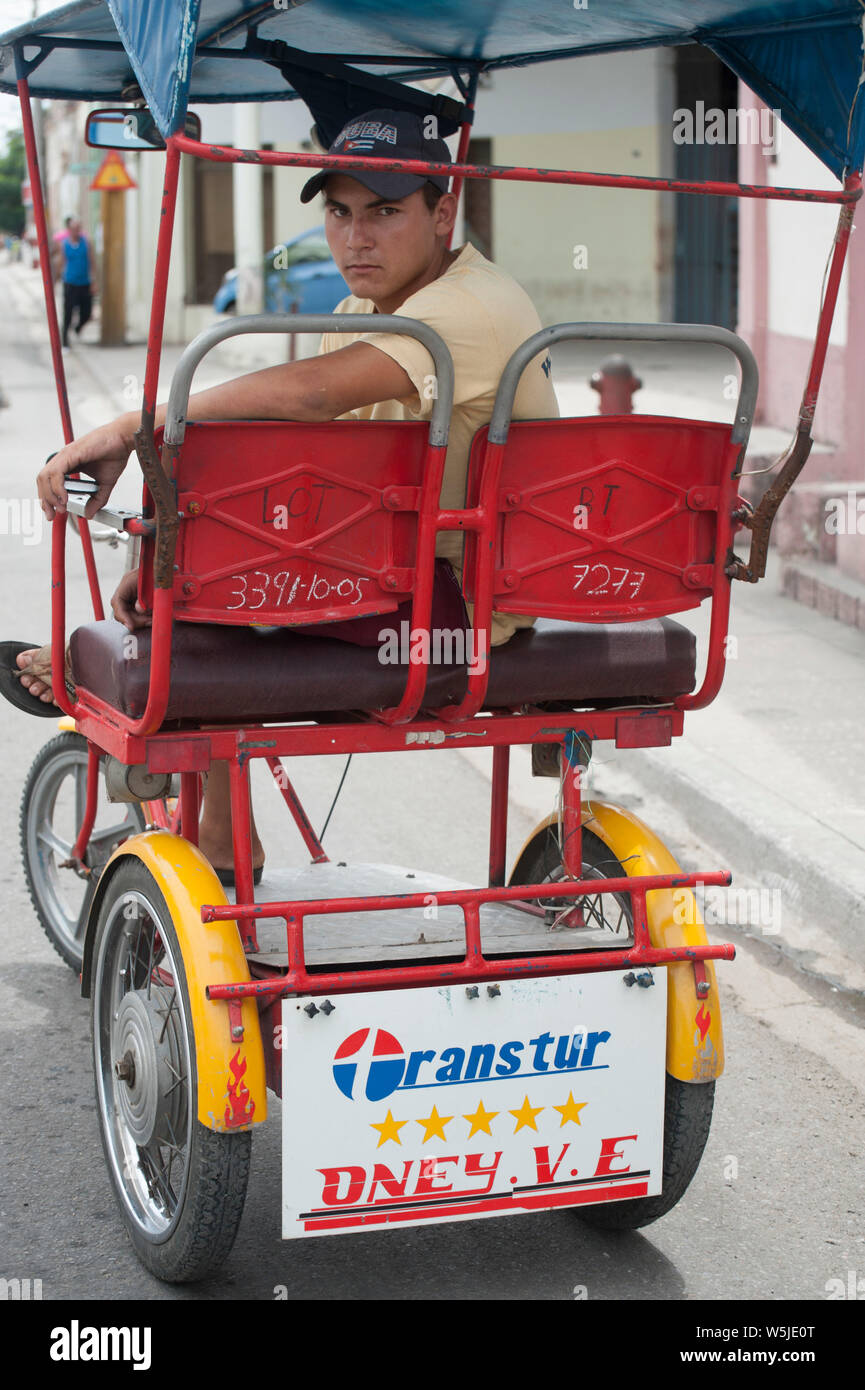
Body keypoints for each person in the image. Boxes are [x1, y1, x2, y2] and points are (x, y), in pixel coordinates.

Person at [9, 108, 558, 879]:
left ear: (442, 214)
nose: (355, 238)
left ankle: (228, 850)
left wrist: (131, 427)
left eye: (384, 212)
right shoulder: (358, 312)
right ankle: (218, 817)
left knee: (201, 624)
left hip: (455, 608)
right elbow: (306, 475)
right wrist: (178, 556)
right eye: (339, 213)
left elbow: (310, 396)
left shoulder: (468, 309)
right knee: (196, 586)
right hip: (387, 576)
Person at [53, 217, 95, 347]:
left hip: (84, 282)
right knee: (68, 313)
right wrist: (55, 281)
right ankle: (65, 341)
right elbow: (60, 263)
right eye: (73, 229)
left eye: (78, 228)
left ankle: (77, 328)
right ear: (69, 230)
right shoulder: (64, 244)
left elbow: (92, 262)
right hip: (70, 282)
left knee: (87, 313)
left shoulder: (86, 242)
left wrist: (94, 281)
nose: (76, 231)